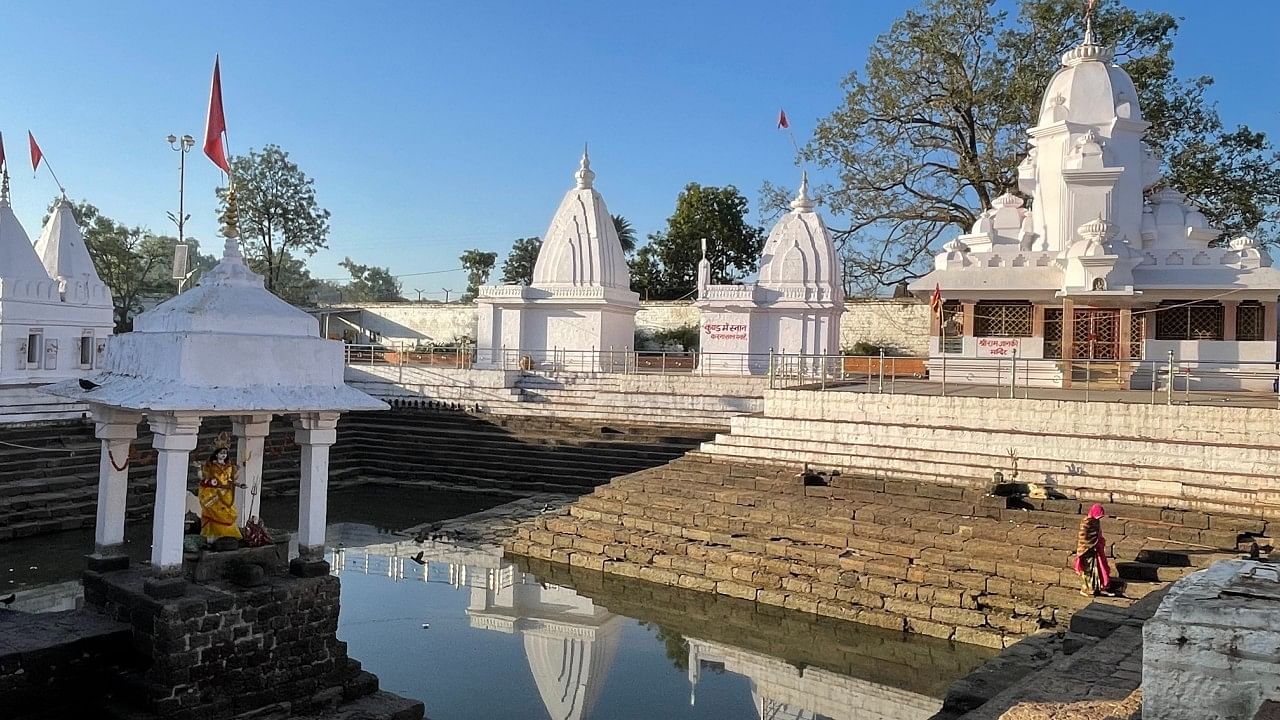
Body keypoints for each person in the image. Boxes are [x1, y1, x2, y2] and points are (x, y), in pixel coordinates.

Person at [199, 445, 245, 541]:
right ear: (216, 454)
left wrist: (240, 485)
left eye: (225, 453)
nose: (223, 455)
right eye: (221, 453)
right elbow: (204, 478)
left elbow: (231, 480)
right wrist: (199, 470)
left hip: (226, 494)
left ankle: (227, 535)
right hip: (214, 493)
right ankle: (213, 536)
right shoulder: (210, 466)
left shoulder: (229, 466)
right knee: (214, 513)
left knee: (228, 513)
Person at [1074, 503, 1112, 596]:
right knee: (1088, 571)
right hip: (1086, 551)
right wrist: (1091, 545)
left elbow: (1097, 534)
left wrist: (1099, 542)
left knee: (1099, 569)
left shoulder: (1096, 522)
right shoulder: (1086, 522)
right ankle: (1085, 589)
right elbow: (1084, 537)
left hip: (1096, 550)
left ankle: (1098, 588)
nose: (1099, 518)